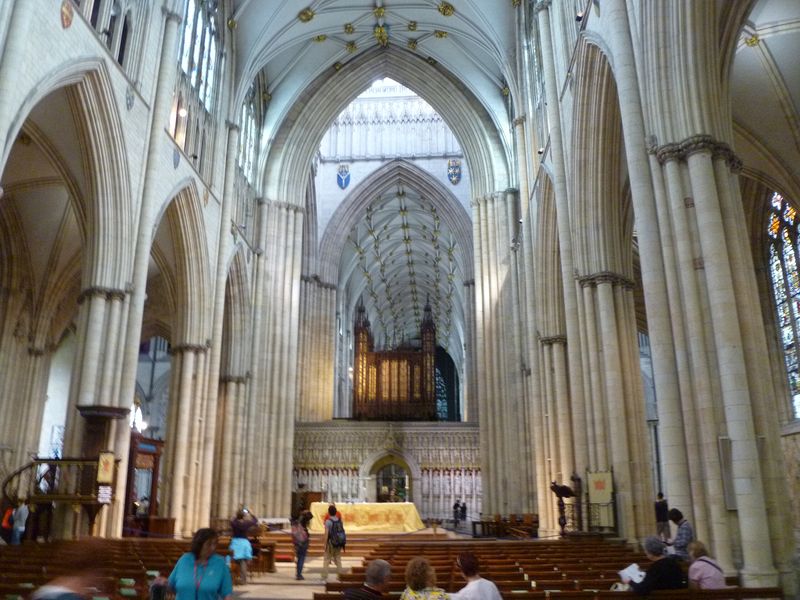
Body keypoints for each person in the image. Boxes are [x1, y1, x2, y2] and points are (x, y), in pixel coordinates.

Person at [161, 528, 233, 600]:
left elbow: (227, 594)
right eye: (209, 544)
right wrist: (162, 583)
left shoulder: (220, 563)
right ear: (199, 544)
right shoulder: (184, 560)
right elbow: (171, 586)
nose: (212, 548)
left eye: (214, 544)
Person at [621, 536, 686, 595]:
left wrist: (629, 581)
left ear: (650, 552)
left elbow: (642, 590)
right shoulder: (674, 563)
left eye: (646, 550)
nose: (645, 552)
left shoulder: (655, 568)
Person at [229, 508, 258, 584]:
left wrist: (236, 513)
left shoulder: (235, 523)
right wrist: (251, 513)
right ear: (244, 516)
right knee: (243, 561)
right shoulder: (246, 523)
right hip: (244, 543)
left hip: (235, 543)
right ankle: (243, 580)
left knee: (232, 560)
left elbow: (231, 520)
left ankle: (231, 578)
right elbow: (255, 521)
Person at [321, 504, 346, 581]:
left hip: (331, 543)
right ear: (336, 512)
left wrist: (324, 544)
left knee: (327, 559)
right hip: (339, 542)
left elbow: (326, 533)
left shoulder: (328, 521)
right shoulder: (340, 520)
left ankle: (324, 577)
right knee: (338, 559)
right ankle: (340, 576)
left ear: (328, 512)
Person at [291, 511, 312, 580]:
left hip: (296, 541)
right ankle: (299, 574)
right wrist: (304, 513)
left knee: (298, 557)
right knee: (301, 557)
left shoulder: (293, 522)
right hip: (303, 540)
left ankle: (298, 573)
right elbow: (310, 516)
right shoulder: (303, 521)